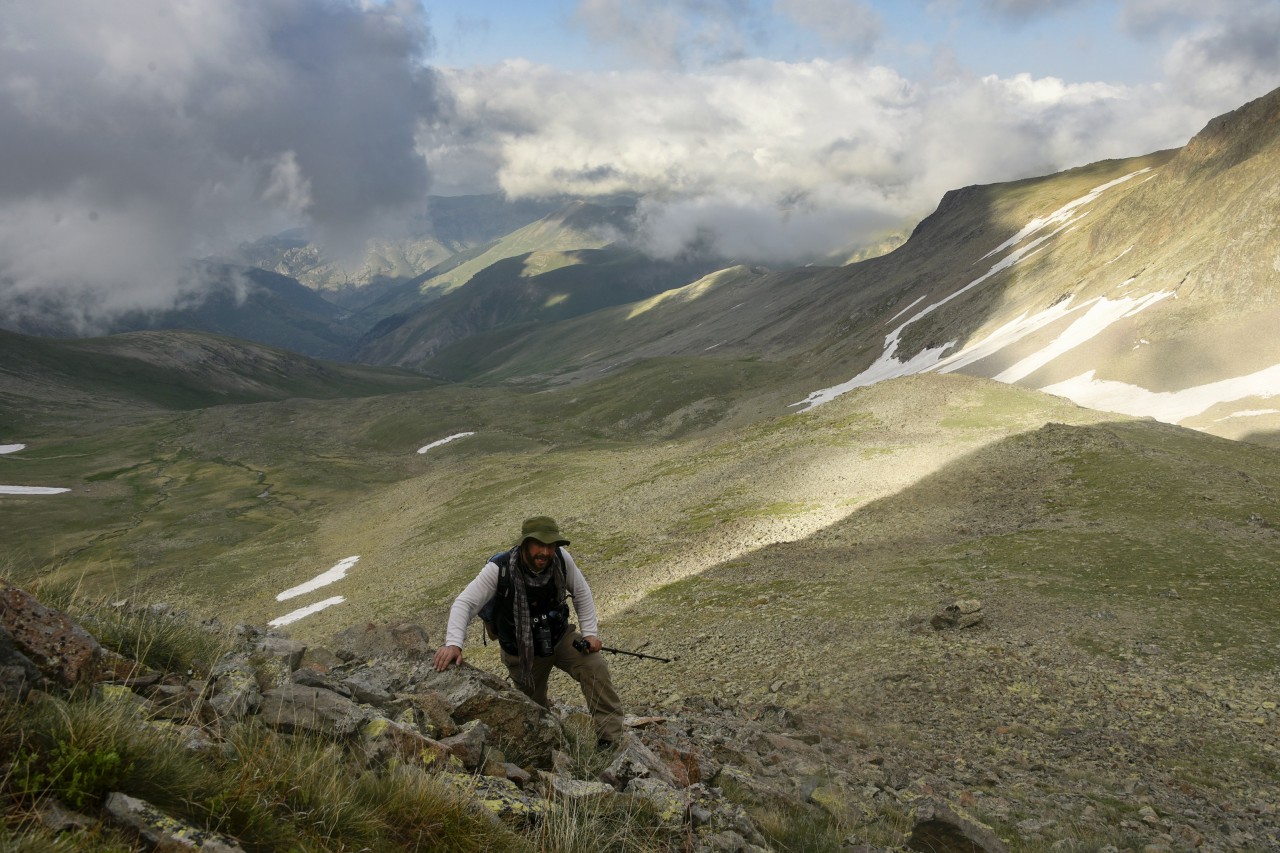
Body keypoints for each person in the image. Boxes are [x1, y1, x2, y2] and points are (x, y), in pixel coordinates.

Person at [433, 516, 625, 746]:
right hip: (522, 653)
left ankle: (610, 740)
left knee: (595, 666)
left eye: (551, 545)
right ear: (524, 544)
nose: (545, 552)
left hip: (559, 637)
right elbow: (464, 603)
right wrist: (454, 644)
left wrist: (590, 634)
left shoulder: (562, 559)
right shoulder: (499, 569)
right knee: (535, 711)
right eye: (539, 544)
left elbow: (581, 593)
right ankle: (553, 747)